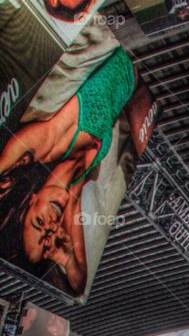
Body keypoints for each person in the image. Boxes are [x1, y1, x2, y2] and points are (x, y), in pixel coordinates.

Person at [0, 43, 138, 295]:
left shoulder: (44, 143)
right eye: (48, 242)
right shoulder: (73, 192)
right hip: (135, 80)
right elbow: (77, 283)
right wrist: (63, 258)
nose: (50, 227)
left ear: (29, 200)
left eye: (38, 222)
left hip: (126, 44)